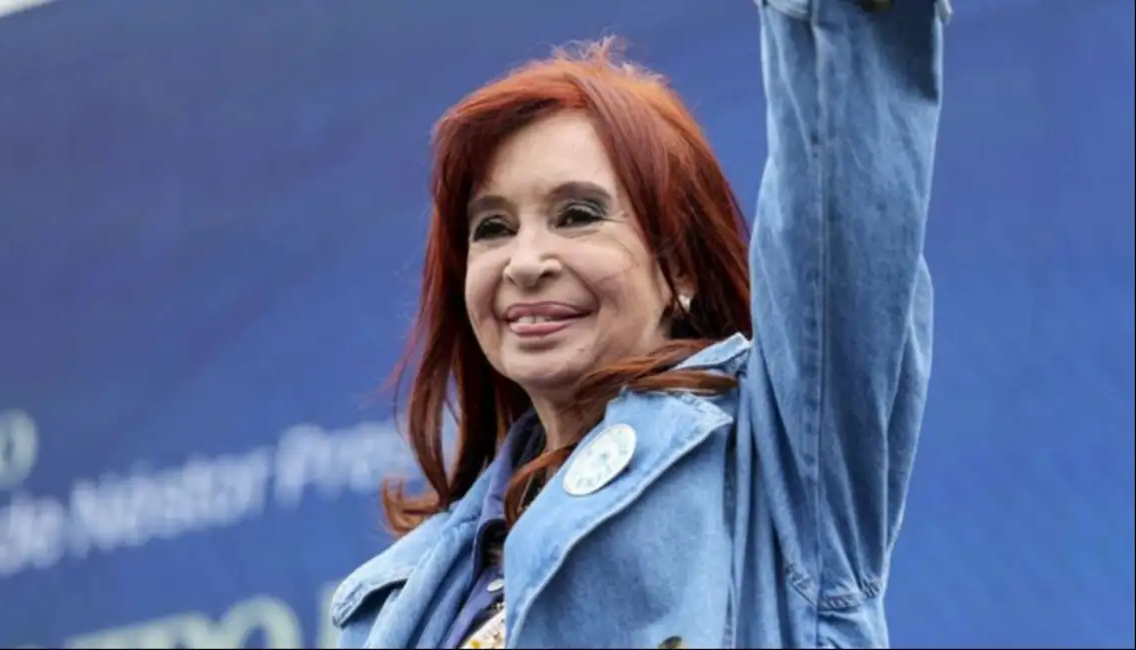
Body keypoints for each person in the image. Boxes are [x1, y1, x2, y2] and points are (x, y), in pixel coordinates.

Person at [332, 0, 948, 647]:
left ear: (678, 268)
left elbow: (838, 207)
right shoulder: (404, 595)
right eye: (493, 227)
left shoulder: (783, 465)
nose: (526, 262)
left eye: (577, 215)